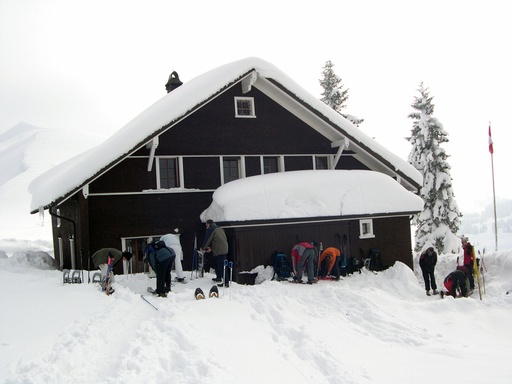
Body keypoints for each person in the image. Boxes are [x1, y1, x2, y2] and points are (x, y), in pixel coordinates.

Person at [200, 219, 229, 287]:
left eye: (206, 225)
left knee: (221, 266)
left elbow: (207, 239)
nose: (206, 227)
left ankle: (226, 282)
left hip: (219, 250)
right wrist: (211, 248)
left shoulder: (211, 229)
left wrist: (202, 248)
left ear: (208, 224)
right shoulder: (219, 229)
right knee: (216, 263)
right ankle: (219, 277)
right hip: (222, 248)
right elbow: (217, 240)